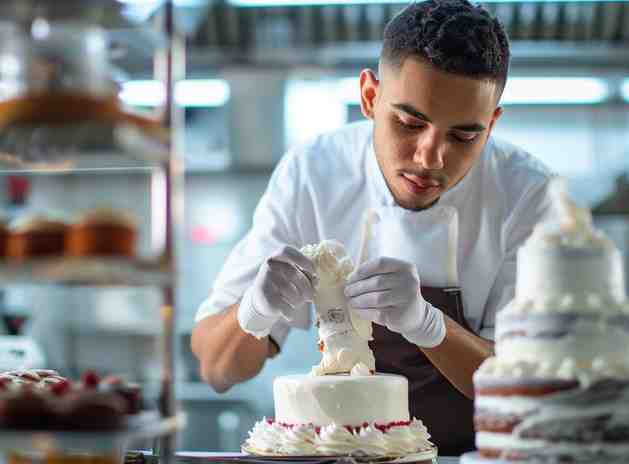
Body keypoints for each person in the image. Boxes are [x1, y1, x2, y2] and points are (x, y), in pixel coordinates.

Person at [191, 0, 555, 455]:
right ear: (369, 97)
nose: (430, 158)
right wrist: (253, 312)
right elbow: (215, 368)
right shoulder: (314, 174)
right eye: (409, 122)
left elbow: (532, 393)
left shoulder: (527, 193)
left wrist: (429, 325)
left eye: (464, 136)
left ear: (492, 123)